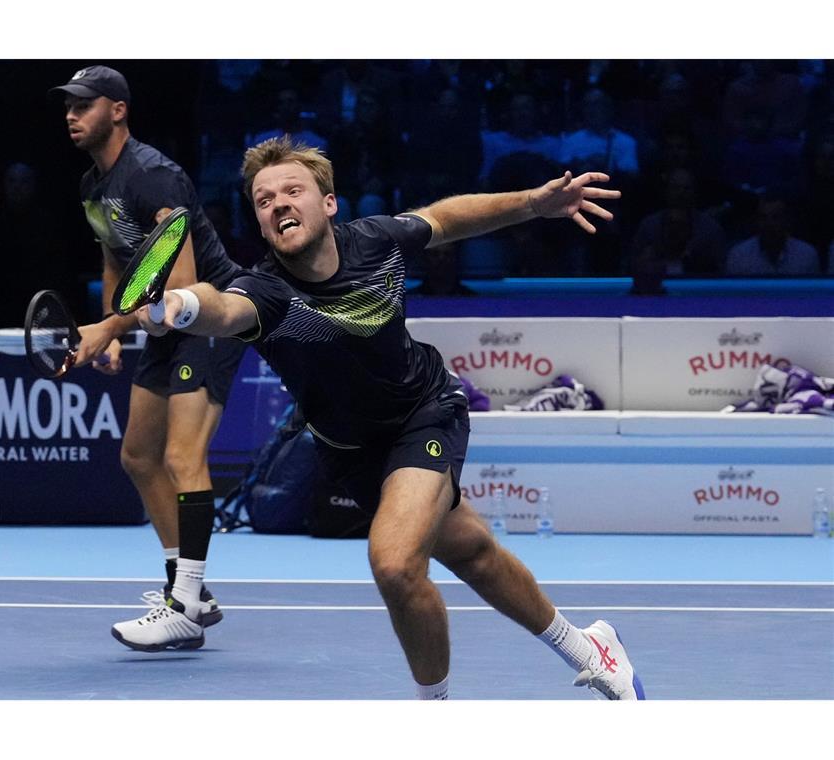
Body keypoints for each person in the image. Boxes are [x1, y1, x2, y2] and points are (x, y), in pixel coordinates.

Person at [134, 135, 645, 700]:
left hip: (423, 414)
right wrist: (174, 306)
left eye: (292, 190)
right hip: (351, 453)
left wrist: (532, 203)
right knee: (473, 553)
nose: (278, 203)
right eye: (263, 199)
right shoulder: (266, 292)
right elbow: (222, 307)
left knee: (397, 564)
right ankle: (589, 647)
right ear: (259, 223)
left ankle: (434, 714)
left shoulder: (376, 243)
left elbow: (444, 219)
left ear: (328, 203)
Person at [50, 66, 248, 650]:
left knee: (183, 457)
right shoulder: (93, 188)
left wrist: (107, 325)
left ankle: (185, 605)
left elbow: (181, 286)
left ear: (117, 110)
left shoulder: (155, 176)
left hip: (210, 314)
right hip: (163, 326)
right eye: (67, 106)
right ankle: (189, 591)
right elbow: (118, 263)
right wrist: (113, 332)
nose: (71, 114)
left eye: (84, 105)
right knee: (139, 457)